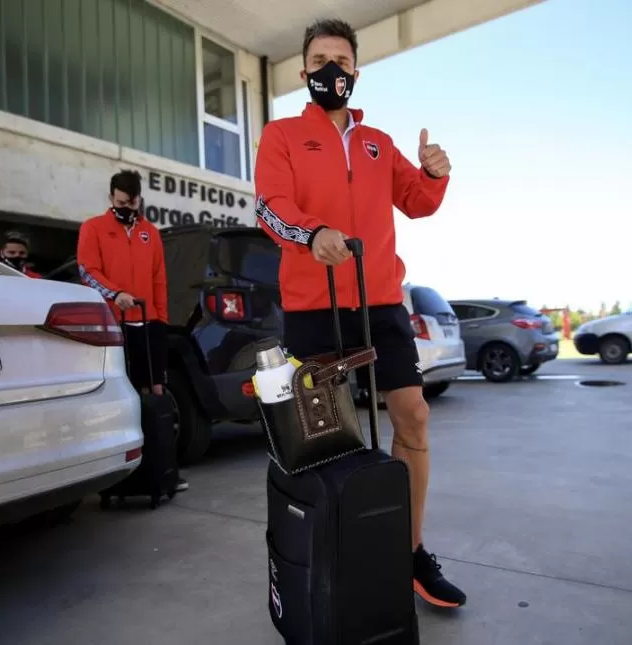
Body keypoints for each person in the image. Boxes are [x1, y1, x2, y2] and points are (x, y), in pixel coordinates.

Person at [253, 19, 464, 608]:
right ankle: (332, 552)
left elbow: (417, 203)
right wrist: (311, 233)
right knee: (323, 440)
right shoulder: (282, 135)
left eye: (340, 61)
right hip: (313, 306)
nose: (330, 70)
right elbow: (271, 210)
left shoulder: (377, 144)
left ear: (355, 73)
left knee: (413, 417)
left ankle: (411, 552)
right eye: (319, 60)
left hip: (381, 302)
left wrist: (434, 172)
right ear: (303, 73)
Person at [76, 169, 188, 493]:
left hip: (148, 322)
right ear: (111, 198)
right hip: (113, 323)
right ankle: (124, 475)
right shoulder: (94, 229)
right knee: (125, 395)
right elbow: (87, 270)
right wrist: (115, 294)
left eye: (132, 200)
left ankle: (164, 470)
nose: (126, 206)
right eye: (121, 201)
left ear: (139, 198)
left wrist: (161, 319)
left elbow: (159, 279)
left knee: (157, 393)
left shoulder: (149, 233)